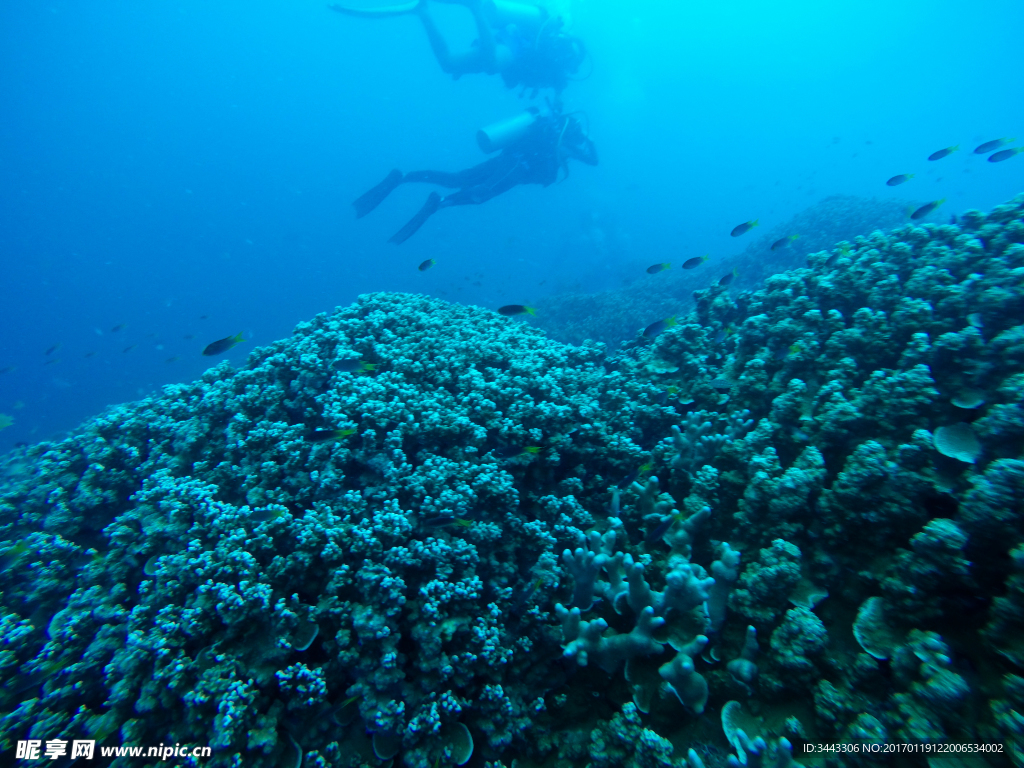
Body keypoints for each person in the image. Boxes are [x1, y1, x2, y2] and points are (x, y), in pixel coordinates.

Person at [352, 108, 597, 243]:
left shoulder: (551, 128)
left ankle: (405, 176)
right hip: (516, 170)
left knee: (458, 179)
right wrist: (589, 140)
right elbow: (592, 160)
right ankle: (440, 204)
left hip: (507, 159)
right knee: (482, 194)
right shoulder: (571, 139)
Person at [329, 0, 587, 97]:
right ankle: (476, 7)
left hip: (509, 38)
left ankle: (423, 13)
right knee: (491, 65)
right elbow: (540, 74)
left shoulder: (557, 60)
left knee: (449, 64)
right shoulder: (560, 70)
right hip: (519, 46)